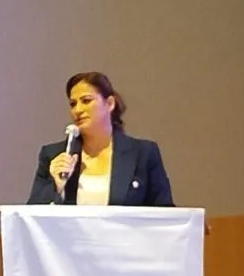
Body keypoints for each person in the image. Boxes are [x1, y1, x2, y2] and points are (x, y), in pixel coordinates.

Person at [27, 71, 174, 206]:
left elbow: (165, 213)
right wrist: (56, 187)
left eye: (86, 101)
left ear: (109, 104)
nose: (77, 110)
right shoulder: (54, 155)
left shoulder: (143, 154)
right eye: (73, 104)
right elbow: (31, 215)